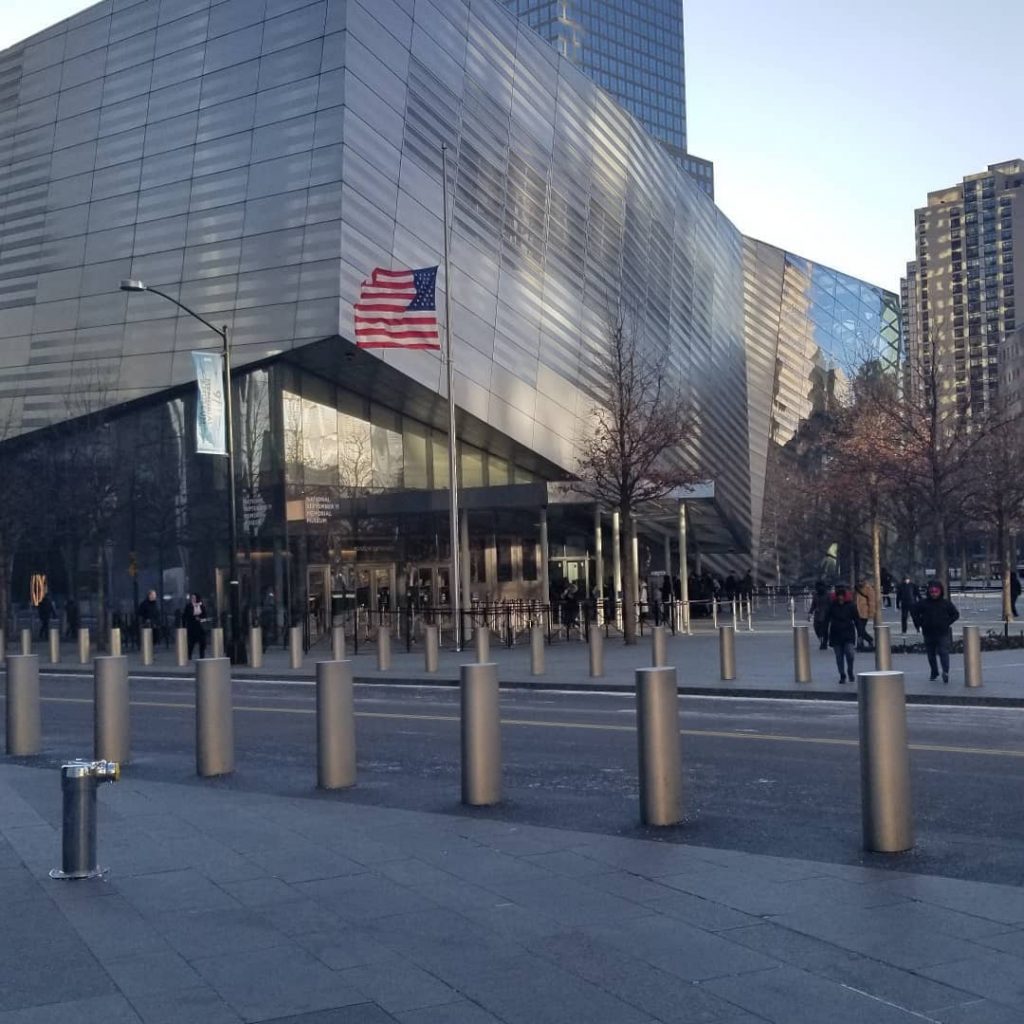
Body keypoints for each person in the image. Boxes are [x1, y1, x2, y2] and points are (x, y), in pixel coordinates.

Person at [912, 581, 960, 683]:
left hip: (942, 632)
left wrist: (947, 622)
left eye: (936, 591)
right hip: (928, 632)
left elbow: (955, 614)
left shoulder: (945, 603)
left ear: (940, 591)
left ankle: (945, 671)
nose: (934, 593)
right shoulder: (923, 603)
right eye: (932, 591)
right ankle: (934, 671)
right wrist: (920, 623)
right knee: (931, 655)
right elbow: (914, 612)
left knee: (943, 652)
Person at [824, 583, 858, 683]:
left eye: (842, 596)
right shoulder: (832, 606)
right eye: (839, 596)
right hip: (836, 634)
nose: (840, 598)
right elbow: (827, 620)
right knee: (839, 657)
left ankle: (850, 670)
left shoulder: (851, 606)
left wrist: (860, 632)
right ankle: (842, 674)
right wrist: (824, 633)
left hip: (848, 633)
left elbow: (857, 619)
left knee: (850, 653)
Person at [182, 593, 208, 660]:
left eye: (194, 598)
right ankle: (189, 656)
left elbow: (205, 615)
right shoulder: (188, 606)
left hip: (200, 627)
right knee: (191, 643)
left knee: (202, 642)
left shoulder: (201, 605)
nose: (192, 599)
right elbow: (186, 615)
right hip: (192, 627)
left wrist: (200, 618)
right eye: (192, 598)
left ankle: (202, 656)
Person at [853, 577, 876, 651]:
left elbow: (872, 602)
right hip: (856, 612)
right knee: (859, 629)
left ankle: (870, 639)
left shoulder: (868, 589)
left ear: (865, 581)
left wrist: (871, 613)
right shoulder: (856, 588)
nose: (860, 583)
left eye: (861, 581)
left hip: (864, 612)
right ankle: (860, 644)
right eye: (859, 581)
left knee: (861, 629)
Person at [808, 580, 831, 650]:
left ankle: (824, 643)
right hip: (817, 615)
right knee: (816, 628)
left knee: (824, 630)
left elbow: (831, 605)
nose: (819, 588)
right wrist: (810, 613)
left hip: (826, 615)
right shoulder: (815, 595)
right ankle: (822, 639)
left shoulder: (828, 595)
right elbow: (813, 605)